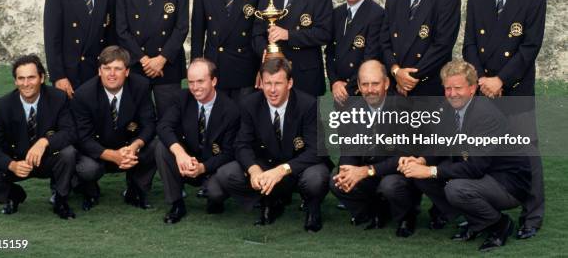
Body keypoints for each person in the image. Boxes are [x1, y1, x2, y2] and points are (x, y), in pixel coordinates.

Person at [399, 59, 531, 252]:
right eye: (447, 88)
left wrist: (430, 170)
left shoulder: (486, 115)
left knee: (455, 188)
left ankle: (499, 224)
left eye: (458, 88)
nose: (452, 94)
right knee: (421, 177)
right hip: (482, 174)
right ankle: (477, 221)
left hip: (508, 182)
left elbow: (475, 167)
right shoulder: (447, 108)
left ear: (472, 88)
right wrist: (421, 160)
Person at [462, 0, 546, 238]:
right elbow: (470, 42)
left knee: (527, 154)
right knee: (482, 152)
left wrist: (500, 80)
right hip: (483, 89)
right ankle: (482, 215)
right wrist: (482, 80)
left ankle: (532, 216)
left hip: (515, 89)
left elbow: (529, 48)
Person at [213, 58, 332, 232]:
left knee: (316, 178)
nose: (272, 90)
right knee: (226, 174)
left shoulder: (308, 105)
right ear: (261, 83)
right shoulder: (249, 104)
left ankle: (312, 208)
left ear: (289, 83)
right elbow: (241, 144)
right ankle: (268, 202)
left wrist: (282, 170)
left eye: (278, 83)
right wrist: (253, 170)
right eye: (268, 83)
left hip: (297, 168)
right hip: (265, 166)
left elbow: (316, 150)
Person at [0, 54, 77, 219]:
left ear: (42, 78)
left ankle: (61, 199)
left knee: (68, 153)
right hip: (17, 161)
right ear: (15, 81)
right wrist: (11, 165)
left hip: (47, 159)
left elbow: (70, 132)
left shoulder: (59, 98)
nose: (26, 84)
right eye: (21, 78)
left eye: (31, 77)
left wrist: (44, 142)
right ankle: (13, 196)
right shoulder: (1, 106)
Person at [71, 46, 157, 210]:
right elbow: (83, 138)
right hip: (98, 151)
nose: (111, 74)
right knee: (87, 169)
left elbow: (149, 124)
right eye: (107, 68)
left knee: (155, 147)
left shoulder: (141, 86)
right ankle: (90, 193)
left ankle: (136, 191)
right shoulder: (83, 95)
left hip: (129, 148)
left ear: (126, 71)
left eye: (117, 69)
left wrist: (134, 146)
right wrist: (112, 155)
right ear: (99, 71)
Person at [155, 58, 240, 224]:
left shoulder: (231, 110)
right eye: (191, 82)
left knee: (215, 193)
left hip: (212, 166)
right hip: (186, 162)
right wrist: (180, 154)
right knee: (161, 147)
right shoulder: (182, 98)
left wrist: (203, 168)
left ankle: (214, 199)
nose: (195, 87)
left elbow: (230, 153)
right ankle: (176, 203)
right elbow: (163, 126)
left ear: (214, 81)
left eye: (200, 81)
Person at [329, 60, 410, 230]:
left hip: (397, 172)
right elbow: (349, 147)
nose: (370, 90)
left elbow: (403, 157)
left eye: (375, 83)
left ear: (386, 83)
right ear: (358, 85)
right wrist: (346, 168)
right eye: (365, 84)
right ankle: (372, 211)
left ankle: (406, 217)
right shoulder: (351, 110)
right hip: (369, 170)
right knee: (337, 181)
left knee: (390, 186)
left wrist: (366, 171)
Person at [115, 0, 189, 119]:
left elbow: (181, 27)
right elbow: (122, 30)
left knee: (170, 120)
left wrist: (161, 59)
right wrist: (145, 60)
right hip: (138, 66)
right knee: (137, 122)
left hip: (167, 67)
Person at [380, 0, 461, 96]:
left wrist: (409, 79)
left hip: (428, 88)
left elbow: (442, 47)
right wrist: (396, 71)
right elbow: (384, 42)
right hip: (395, 86)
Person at [253, 0, 333, 97]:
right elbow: (257, 34)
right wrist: (266, 52)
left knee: (310, 121)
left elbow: (325, 34)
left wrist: (288, 34)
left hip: (305, 76)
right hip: (274, 75)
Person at [44, 0, 116, 97]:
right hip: (70, 76)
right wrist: (58, 77)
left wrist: (112, 71)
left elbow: (112, 37)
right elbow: (52, 40)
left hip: (101, 73)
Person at [325, 0, 384, 106]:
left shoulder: (377, 14)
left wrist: (347, 88)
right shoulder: (337, 14)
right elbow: (330, 53)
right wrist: (334, 82)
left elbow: (370, 57)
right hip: (339, 93)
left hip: (362, 93)